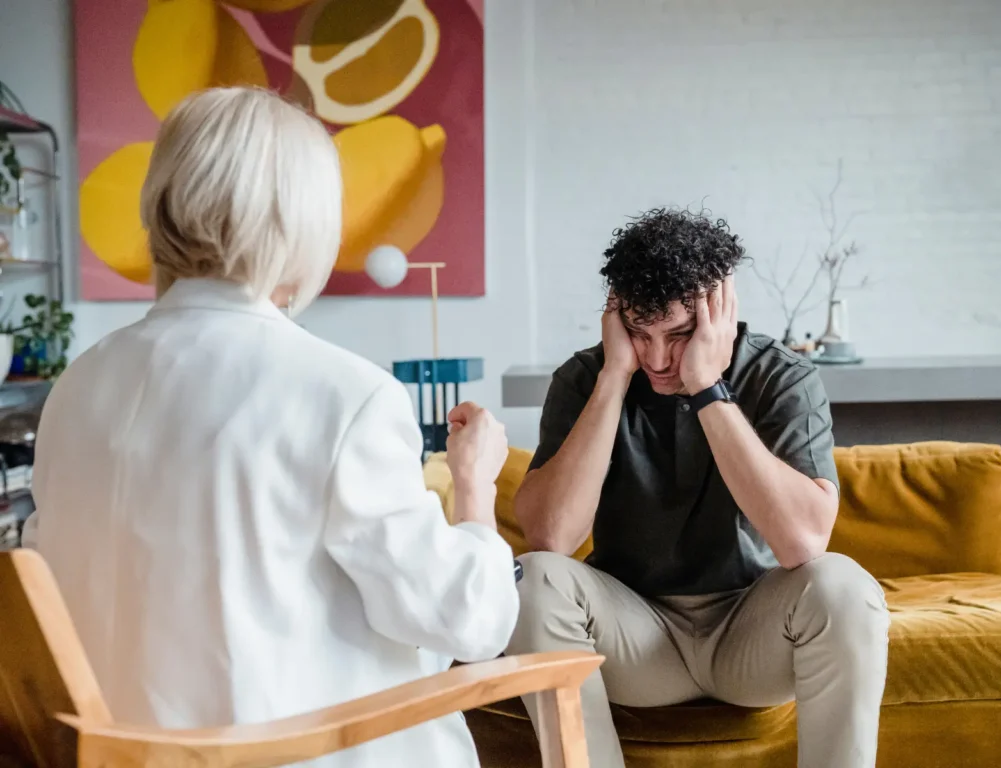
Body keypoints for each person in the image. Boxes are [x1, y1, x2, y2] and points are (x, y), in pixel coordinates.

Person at [23, 87, 518, 768]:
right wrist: (474, 486)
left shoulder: (78, 385)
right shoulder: (347, 394)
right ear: (304, 222)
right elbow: (470, 622)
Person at [507, 209, 889, 768]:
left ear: (721, 307)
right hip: (635, 639)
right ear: (615, 315)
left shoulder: (781, 376)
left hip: (751, 636)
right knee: (531, 579)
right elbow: (552, 537)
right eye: (640, 334)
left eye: (679, 335)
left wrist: (708, 388)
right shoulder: (587, 378)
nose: (659, 359)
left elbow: (804, 543)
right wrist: (615, 376)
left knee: (844, 587)